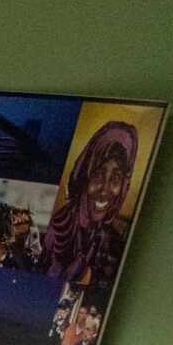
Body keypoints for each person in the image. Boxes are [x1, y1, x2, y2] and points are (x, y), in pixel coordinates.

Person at [43, 119, 139, 292]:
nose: (105, 190)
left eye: (116, 179)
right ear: (84, 175)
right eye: (98, 175)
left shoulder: (114, 244)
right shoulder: (57, 226)